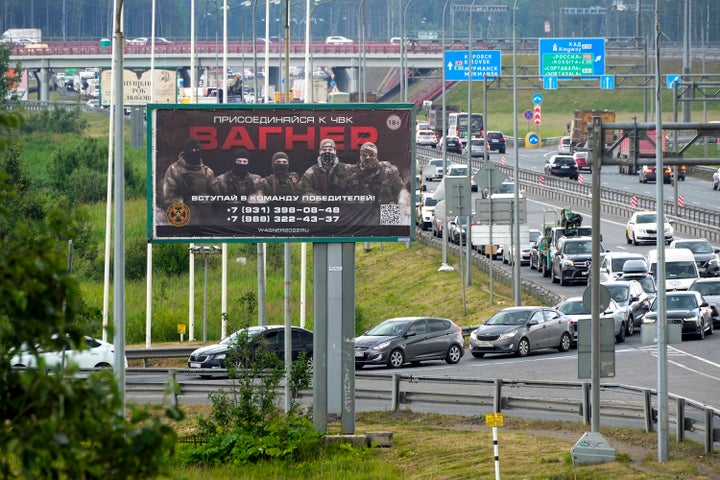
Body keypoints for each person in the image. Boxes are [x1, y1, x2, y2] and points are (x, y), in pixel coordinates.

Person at [349, 141, 412, 224]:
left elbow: (402, 191)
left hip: (387, 211)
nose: (368, 158)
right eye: (365, 155)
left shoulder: (388, 172)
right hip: (364, 216)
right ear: (360, 156)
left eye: (371, 155)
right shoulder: (354, 175)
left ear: (376, 155)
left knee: (390, 233)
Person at [161, 137, 217, 208]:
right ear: (186, 151)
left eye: (196, 149)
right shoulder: (174, 170)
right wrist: (185, 199)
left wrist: (200, 199)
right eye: (191, 149)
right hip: (181, 214)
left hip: (204, 214)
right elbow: (168, 197)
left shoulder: (207, 172)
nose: (194, 151)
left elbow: (216, 198)